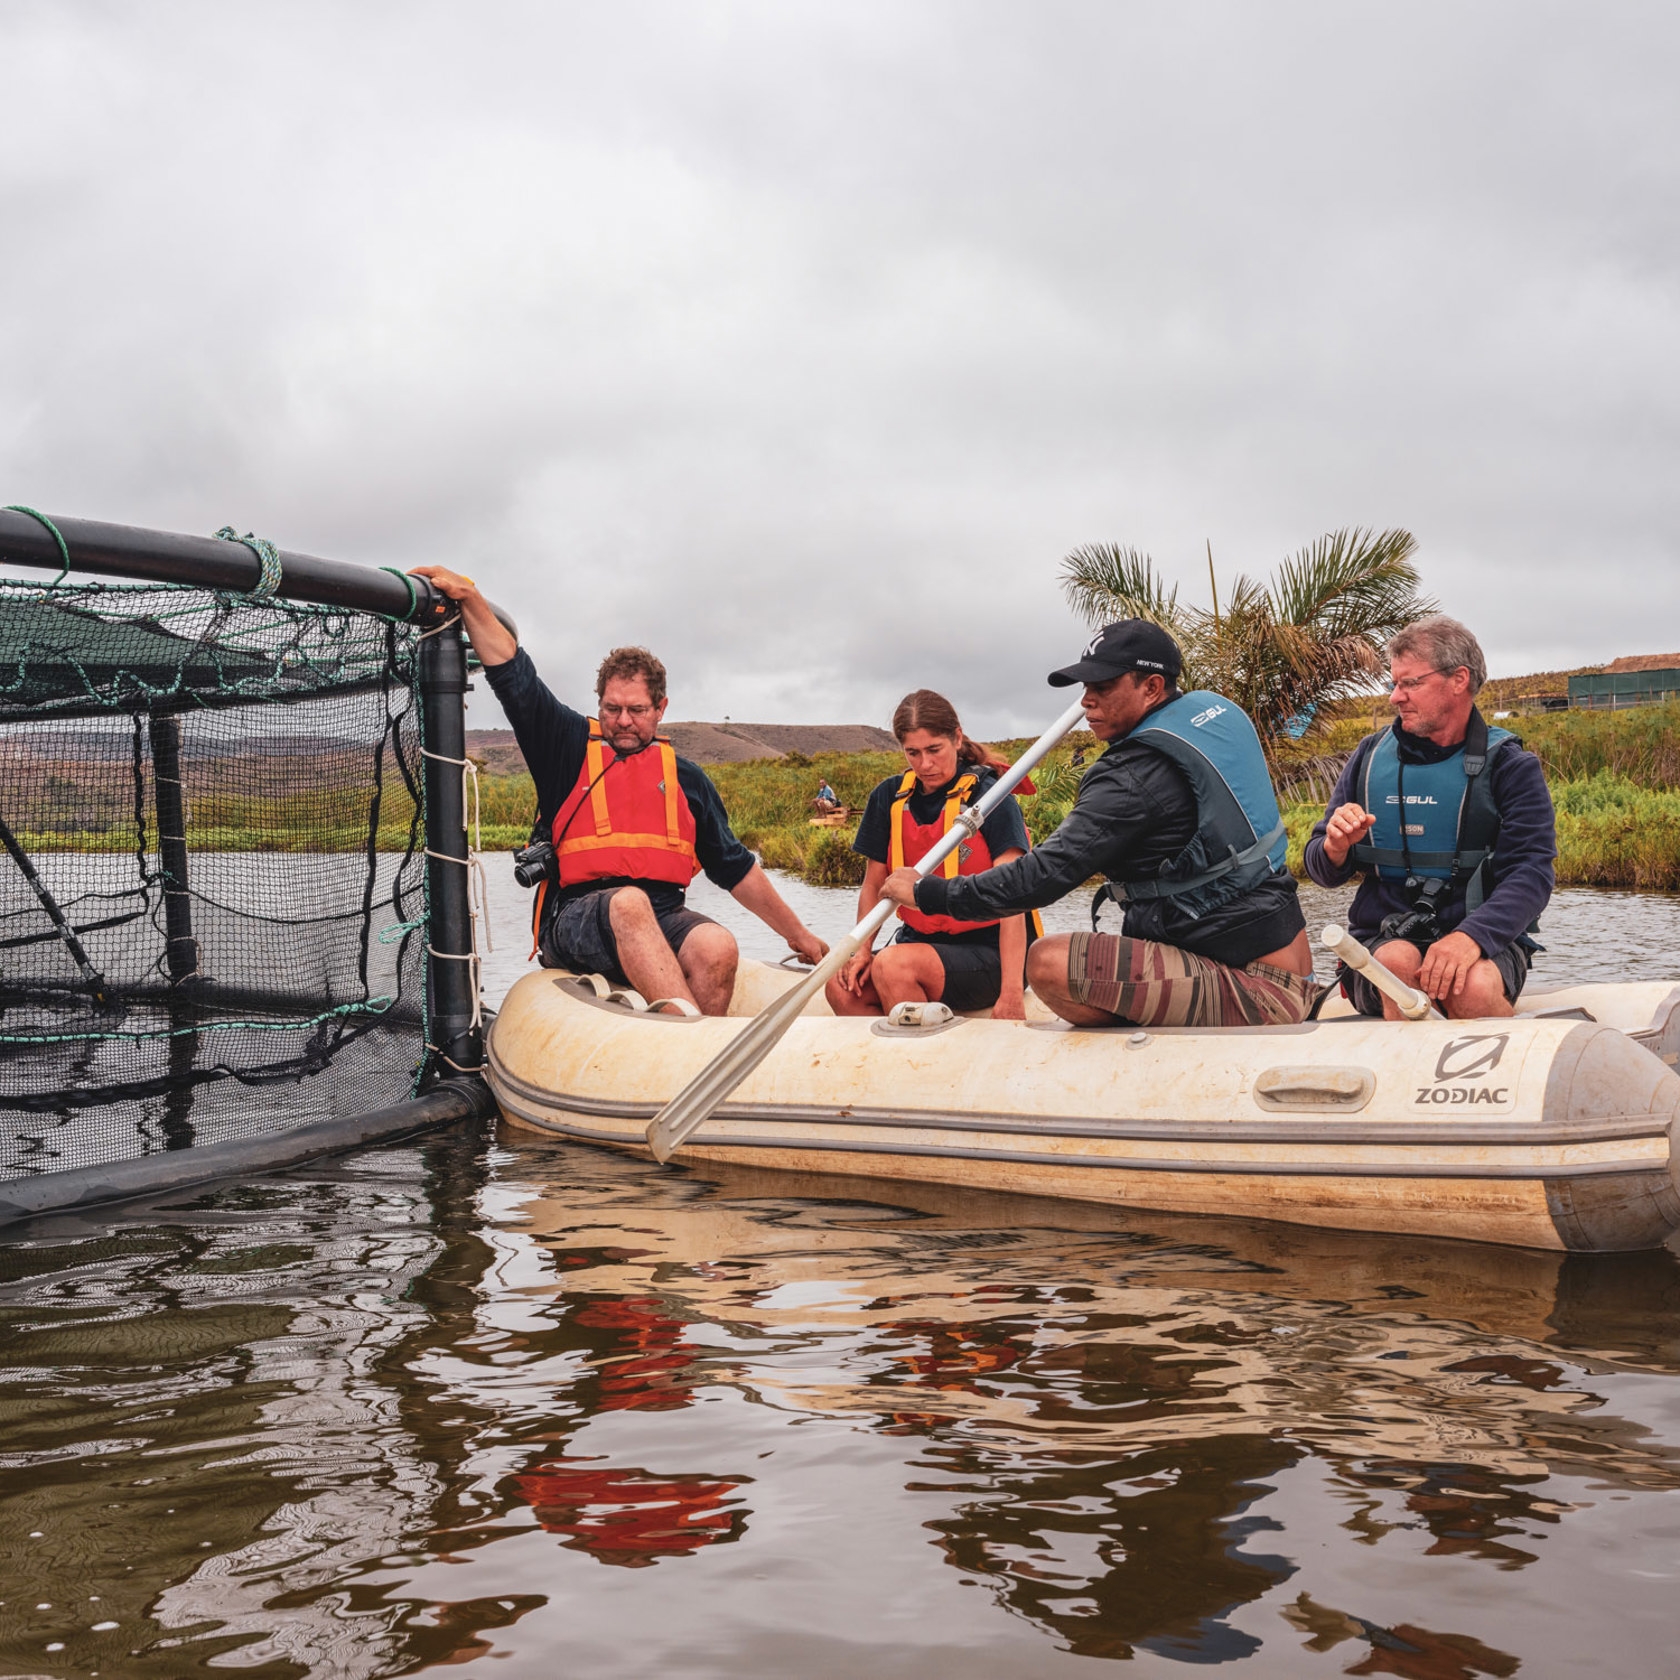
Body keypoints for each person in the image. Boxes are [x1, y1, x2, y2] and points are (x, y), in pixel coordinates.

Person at [410, 568, 828, 1016]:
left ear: (661, 709)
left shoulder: (687, 780)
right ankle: (693, 1039)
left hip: (664, 915)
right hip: (573, 918)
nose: (623, 720)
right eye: (612, 709)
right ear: (599, 705)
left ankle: (679, 1060)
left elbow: (738, 871)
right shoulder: (566, 747)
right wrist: (470, 598)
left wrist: (798, 935)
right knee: (629, 905)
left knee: (717, 945)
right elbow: (516, 678)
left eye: (636, 710)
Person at [878, 621, 1316, 1028]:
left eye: (1103, 687)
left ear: (1152, 687)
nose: (1087, 700)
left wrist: (925, 892)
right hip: (1291, 957)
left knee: (1047, 961)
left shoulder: (1134, 774)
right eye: (1086, 687)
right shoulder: (1212, 715)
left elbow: (1039, 878)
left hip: (1253, 986)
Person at [1304, 614, 1554, 1019]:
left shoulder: (1511, 765)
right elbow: (1320, 870)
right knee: (1398, 963)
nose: (1395, 697)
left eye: (1410, 683)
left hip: (1485, 941)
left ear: (1459, 680)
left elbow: (1532, 873)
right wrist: (1333, 847)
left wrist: (1470, 938)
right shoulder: (1368, 757)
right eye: (1394, 684)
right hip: (1380, 941)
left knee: (1471, 985)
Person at [827, 690, 1037, 1020]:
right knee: (841, 985)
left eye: (933, 750)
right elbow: (873, 885)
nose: (925, 764)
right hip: (920, 944)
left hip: (992, 950)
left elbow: (1011, 895)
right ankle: (895, 1060)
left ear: (956, 738)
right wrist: (862, 951)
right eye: (913, 753)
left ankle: (925, 1062)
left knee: (894, 966)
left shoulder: (992, 797)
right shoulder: (887, 798)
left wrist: (1011, 993)